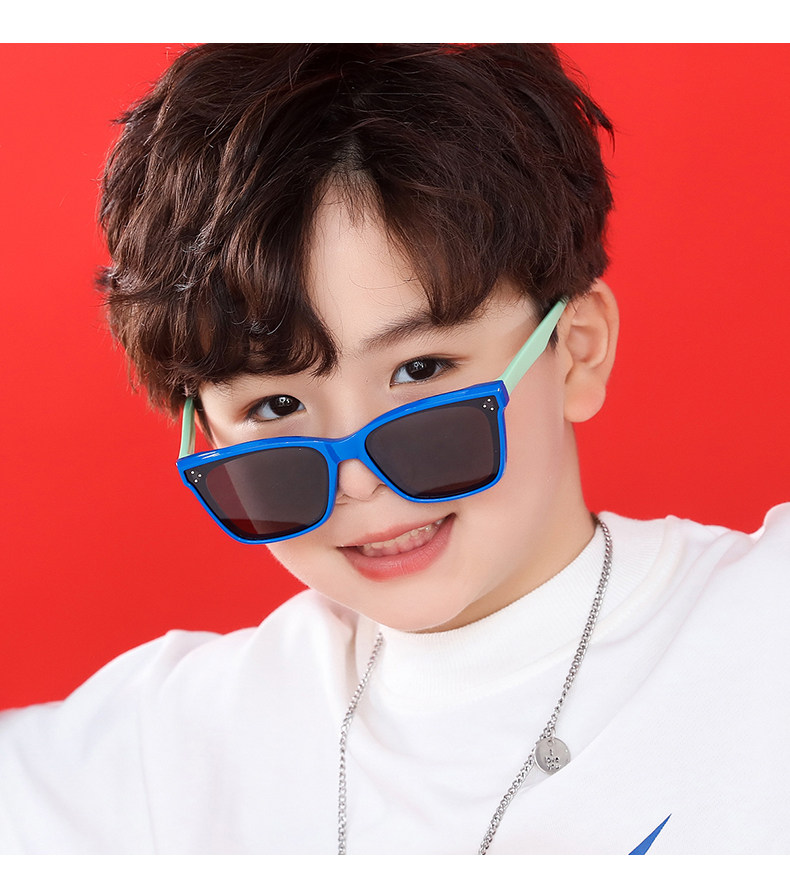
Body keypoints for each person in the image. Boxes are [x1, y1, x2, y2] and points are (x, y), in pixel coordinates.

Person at [0, 43, 787, 854]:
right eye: (276, 405)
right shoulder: (167, 747)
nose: (358, 480)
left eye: (421, 370)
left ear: (577, 351)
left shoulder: (766, 626)